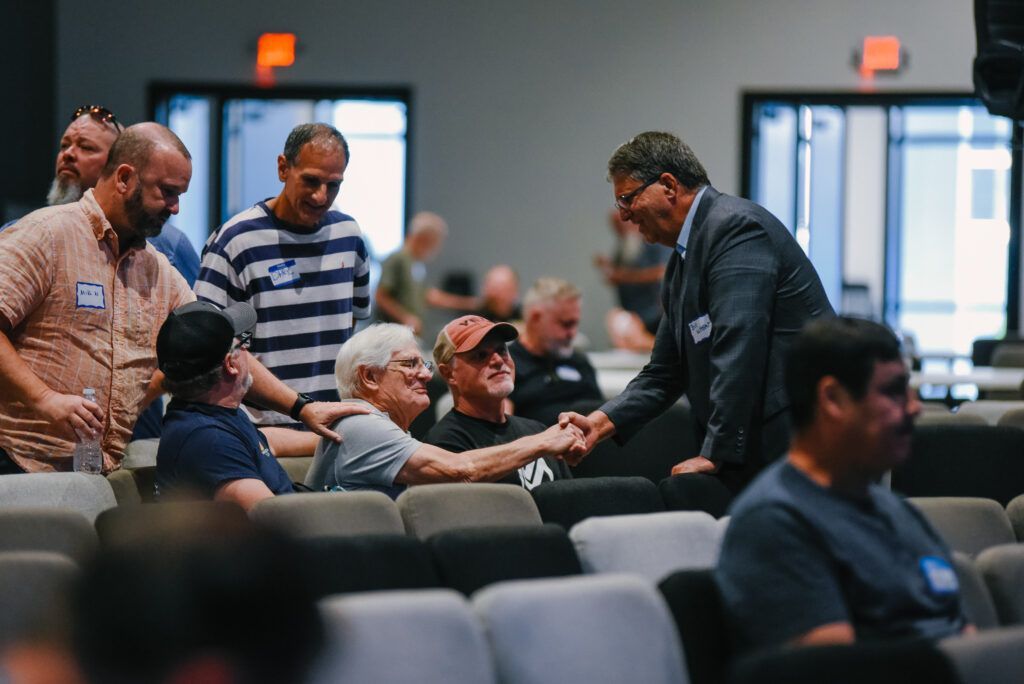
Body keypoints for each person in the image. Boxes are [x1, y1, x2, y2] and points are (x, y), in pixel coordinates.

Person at [0, 123, 368, 475]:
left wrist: (302, 409)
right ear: (125, 178)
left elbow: (223, 347)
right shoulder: (47, 234)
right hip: (18, 460)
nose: (175, 208)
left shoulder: (156, 269)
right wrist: (44, 399)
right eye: (167, 192)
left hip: (96, 469)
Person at [561, 131, 833, 491]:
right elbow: (662, 373)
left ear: (669, 186)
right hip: (754, 442)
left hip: (796, 441)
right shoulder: (680, 264)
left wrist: (716, 452)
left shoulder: (735, 228)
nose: (624, 216)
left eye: (627, 199)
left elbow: (738, 345)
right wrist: (599, 423)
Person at [715, 317, 969, 652]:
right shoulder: (773, 522)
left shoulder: (897, 510)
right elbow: (837, 669)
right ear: (833, 399)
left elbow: (964, 632)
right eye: (893, 391)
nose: (914, 406)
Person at [195, 123, 371, 431]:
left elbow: (349, 326)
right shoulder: (237, 241)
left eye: (333, 185)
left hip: (331, 422)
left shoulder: (349, 235)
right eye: (311, 181)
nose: (321, 196)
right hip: (261, 427)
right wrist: (296, 406)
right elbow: (212, 346)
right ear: (282, 168)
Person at [305, 323, 585, 498]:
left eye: (422, 365)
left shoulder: (365, 426)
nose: (425, 376)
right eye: (410, 364)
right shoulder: (361, 423)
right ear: (369, 377)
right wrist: (545, 441)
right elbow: (462, 470)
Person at [3, 104, 200, 284]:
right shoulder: (27, 232)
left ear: (118, 170)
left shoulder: (168, 246)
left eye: (86, 147)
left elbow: (196, 318)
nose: (68, 154)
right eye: (64, 145)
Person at [155, 301, 298, 511]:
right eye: (242, 343)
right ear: (231, 364)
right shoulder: (209, 441)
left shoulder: (208, 414)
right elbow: (277, 520)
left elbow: (262, 444)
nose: (248, 351)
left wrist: (332, 434)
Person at [424, 315, 571, 491]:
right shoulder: (443, 447)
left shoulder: (538, 430)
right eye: (481, 355)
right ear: (449, 374)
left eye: (501, 350)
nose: (498, 360)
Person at [508, 278, 603, 425]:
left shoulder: (579, 362)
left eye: (575, 324)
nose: (572, 333)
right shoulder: (507, 365)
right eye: (566, 324)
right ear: (536, 318)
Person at [375, 211, 479, 334]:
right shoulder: (398, 259)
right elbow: (381, 296)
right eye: (436, 242)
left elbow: (428, 296)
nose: (437, 249)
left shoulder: (416, 264)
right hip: (391, 334)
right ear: (424, 239)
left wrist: (469, 303)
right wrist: (405, 317)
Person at [594, 208, 671, 334]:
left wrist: (622, 276)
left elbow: (661, 272)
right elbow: (617, 276)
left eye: (622, 223)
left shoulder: (652, 242)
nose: (619, 229)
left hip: (653, 313)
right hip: (632, 314)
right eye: (615, 225)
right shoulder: (621, 249)